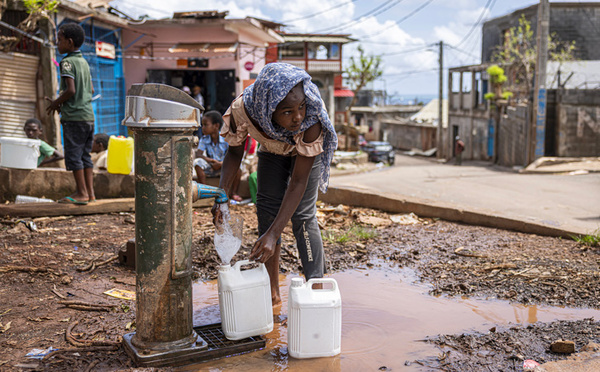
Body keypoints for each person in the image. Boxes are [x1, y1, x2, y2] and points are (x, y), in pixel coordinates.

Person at [213, 62, 338, 304]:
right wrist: (222, 196)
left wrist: (274, 235)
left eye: (300, 106)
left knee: (302, 216)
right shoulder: (245, 110)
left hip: (303, 153)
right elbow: (234, 153)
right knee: (266, 212)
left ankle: (317, 291)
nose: (297, 116)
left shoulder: (310, 120)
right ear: (268, 108)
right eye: (288, 111)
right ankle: (272, 293)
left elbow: (299, 181)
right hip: (272, 149)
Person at [46, 22, 95, 205]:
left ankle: (81, 193)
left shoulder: (67, 62)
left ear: (70, 42)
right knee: (85, 156)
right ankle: (90, 193)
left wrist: (56, 103)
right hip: (88, 116)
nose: (57, 43)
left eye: (59, 40)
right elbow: (89, 88)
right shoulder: (83, 62)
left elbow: (71, 90)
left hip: (74, 118)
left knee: (74, 156)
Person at [194, 111, 242, 201]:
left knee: (239, 167)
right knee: (197, 163)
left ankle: (234, 193)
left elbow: (233, 156)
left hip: (225, 166)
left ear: (216, 126)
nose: (203, 128)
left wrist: (220, 164)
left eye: (205, 125)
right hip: (212, 166)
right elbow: (199, 154)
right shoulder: (204, 139)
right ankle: (205, 191)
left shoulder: (226, 138)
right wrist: (212, 162)